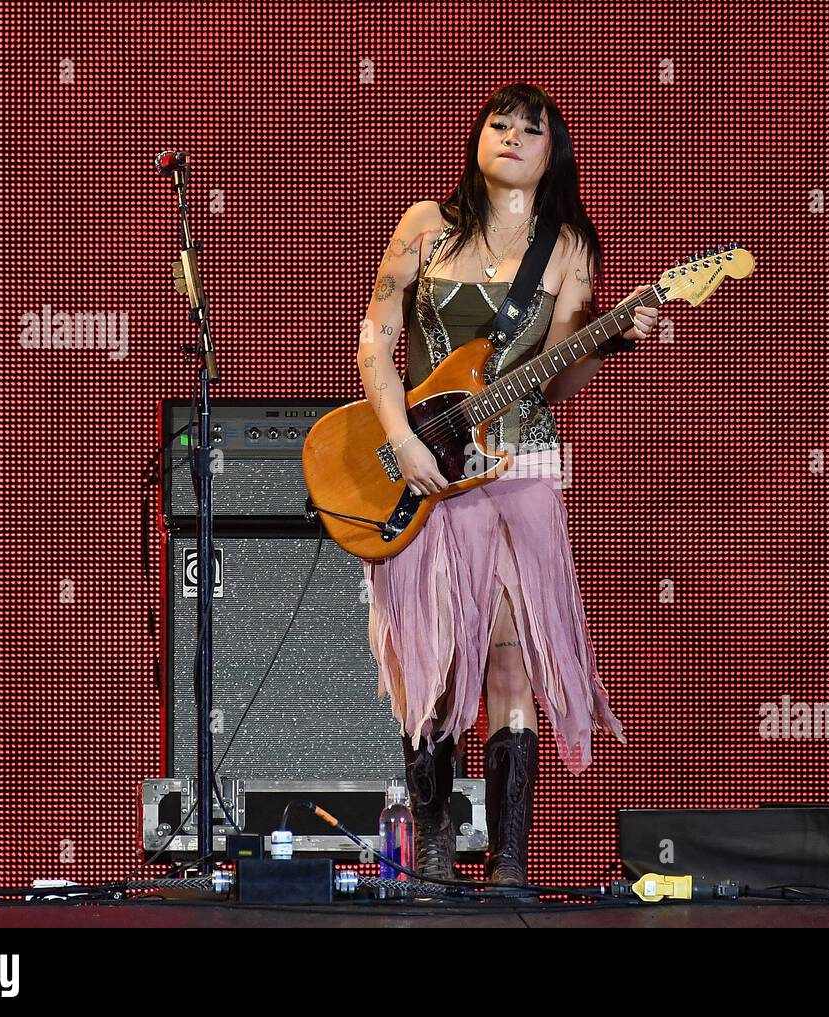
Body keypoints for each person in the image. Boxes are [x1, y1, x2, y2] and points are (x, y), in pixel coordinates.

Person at [355, 82, 658, 885]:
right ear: (477, 139)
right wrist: (398, 438)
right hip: (426, 469)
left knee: (510, 658)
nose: (514, 136)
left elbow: (558, 382)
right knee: (433, 656)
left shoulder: (569, 247)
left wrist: (613, 335)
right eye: (500, 123)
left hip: (520, 465)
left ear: (552, 151)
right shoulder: (423, 226)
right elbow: (375, 342)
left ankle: (513, 858)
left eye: (533, 128)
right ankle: (434, 849)